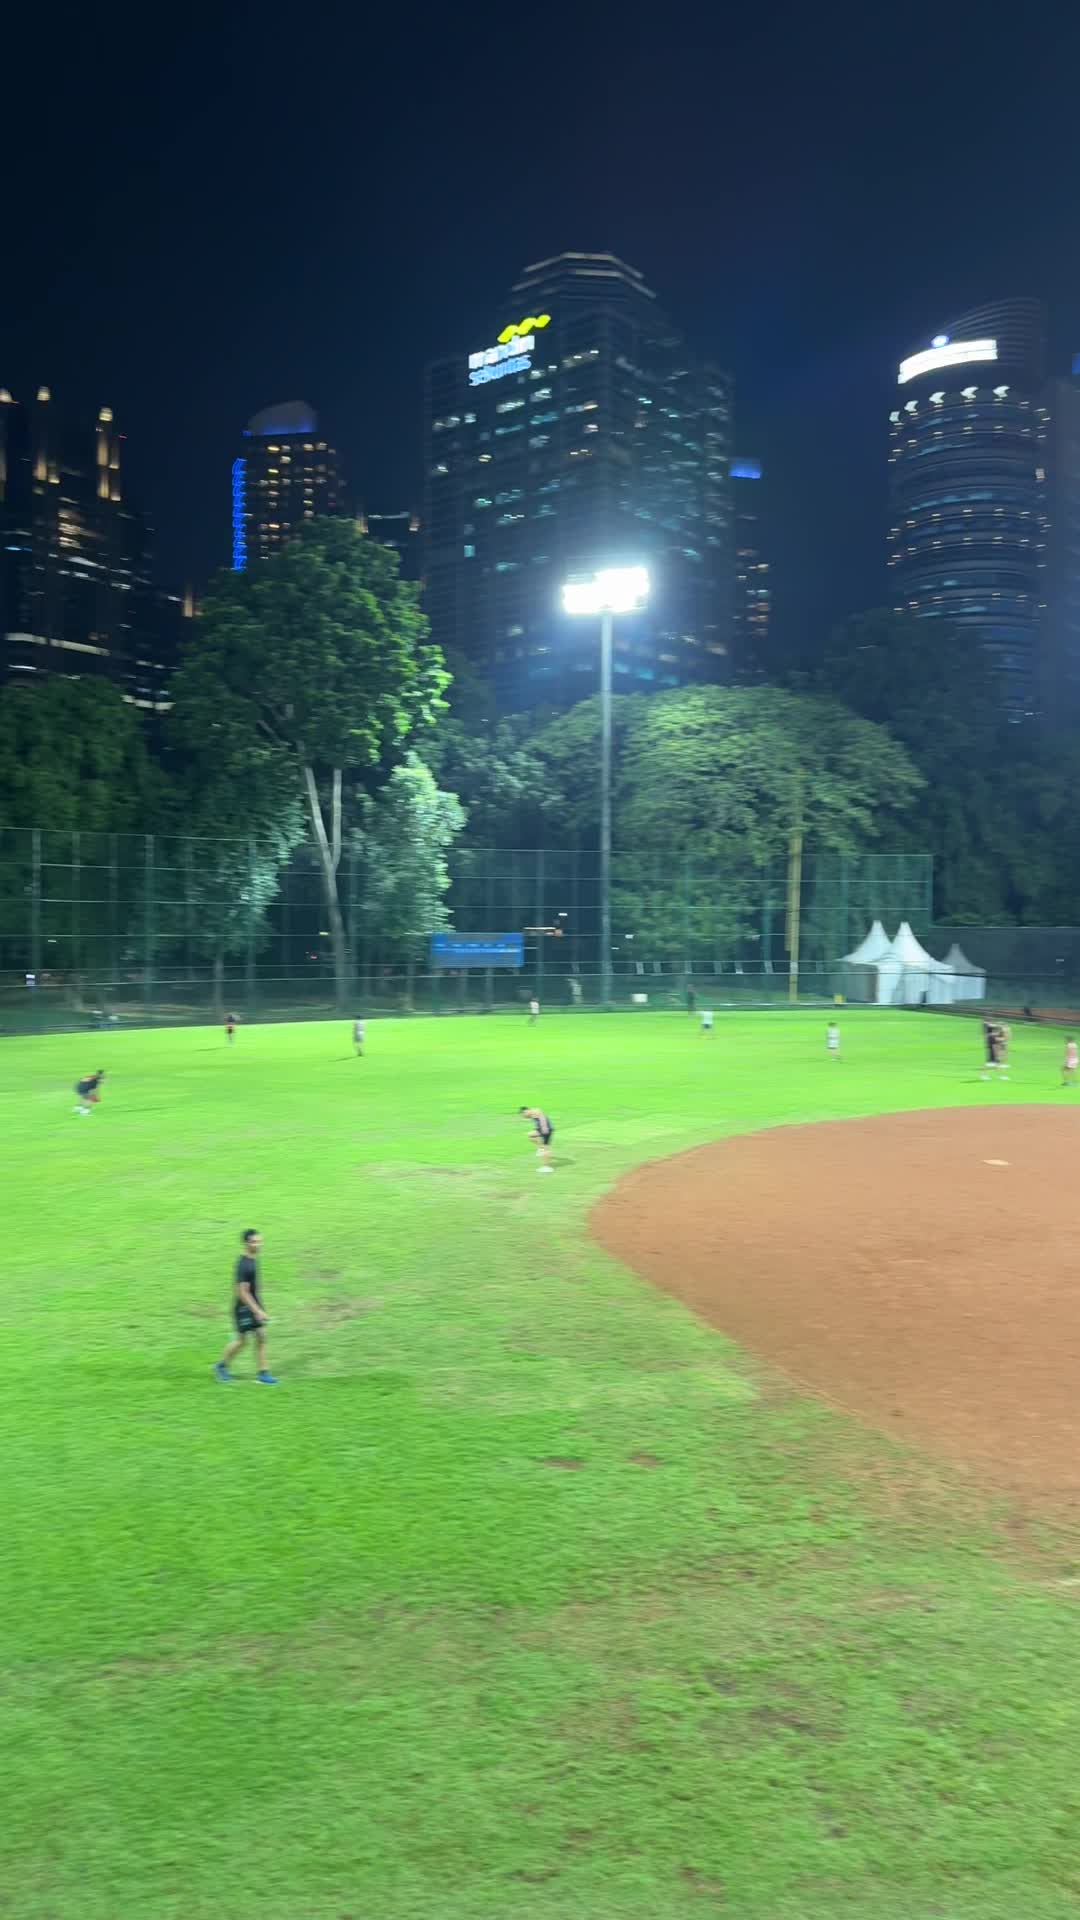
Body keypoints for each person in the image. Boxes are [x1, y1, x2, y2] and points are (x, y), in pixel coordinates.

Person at [214, 1229, 277, 1383]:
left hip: (253, 1305)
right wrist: (257, 1311)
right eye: (255, 1242)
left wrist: (260, 1307)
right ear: (246, 1243)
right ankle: (221, 1366)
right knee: (242, 1341)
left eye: (260, 1241)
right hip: (243, 1309)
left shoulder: (253, 1260)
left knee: (261, 1337)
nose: (259, 1244)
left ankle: (263, 1373)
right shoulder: (244, 1264)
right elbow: (242, 1292)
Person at [519, 1105, 554, 1172]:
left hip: (546, 1130)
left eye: (523, 1115)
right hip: (540, 1129)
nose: (524, 1117)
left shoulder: (535, 1111)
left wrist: (544, 1130)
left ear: (525, 1111)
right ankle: (540, 1148)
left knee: (546, 1148)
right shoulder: (531, 1114)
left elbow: (542, 1118)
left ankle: (547, 1167)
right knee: (530, 1135)